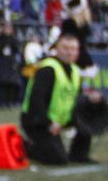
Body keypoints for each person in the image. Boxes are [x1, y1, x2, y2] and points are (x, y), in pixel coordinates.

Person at [21, 27, 102, 166]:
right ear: (57, 49)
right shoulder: (48, 68)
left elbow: (78, 98)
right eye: (65, 48)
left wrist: (92, 98)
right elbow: (37, 100)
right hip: (38, 121)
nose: (69, 52)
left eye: (73, 49)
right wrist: (48, 123)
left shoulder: (76, 71)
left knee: (87, 117)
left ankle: (79, 154)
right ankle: (24, 146)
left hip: (61, 119)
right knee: (58, 159)